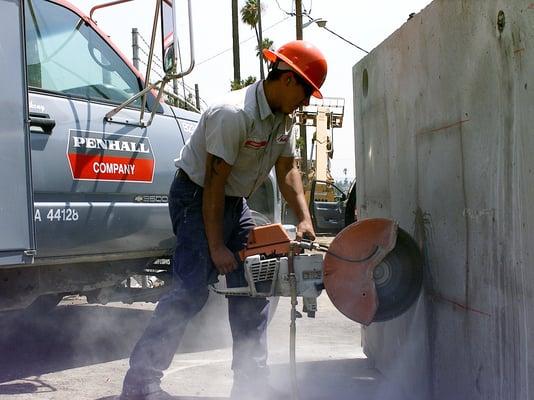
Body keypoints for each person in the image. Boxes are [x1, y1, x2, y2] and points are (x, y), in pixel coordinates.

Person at [119, 40, 328, 400]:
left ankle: (250, 382)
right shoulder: (233, 114)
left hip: (233, 203)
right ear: (289, 80)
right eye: (307, 92)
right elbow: (214, 183)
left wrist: (305, 219)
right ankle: (140, 383)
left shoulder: (282, 120)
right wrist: (216, 246)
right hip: (197, 197)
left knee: (254, 282)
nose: (307, 102)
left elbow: (287, 168)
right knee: (190, 291)